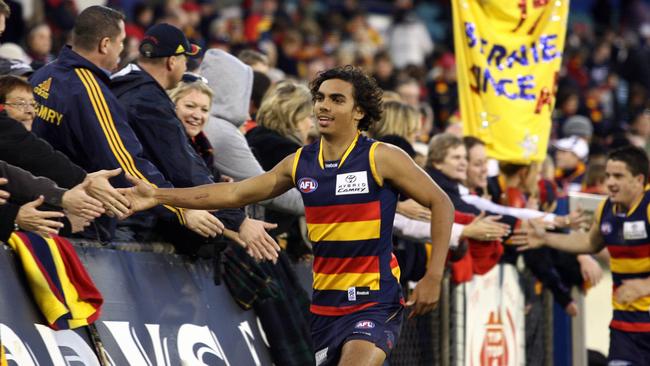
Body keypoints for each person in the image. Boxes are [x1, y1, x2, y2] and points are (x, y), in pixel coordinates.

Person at [120, 66, 454, 366]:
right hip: (324, 306)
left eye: (337, 99)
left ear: (359, 111)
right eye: (320, 98)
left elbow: (441, 204)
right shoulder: (300, 163)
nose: (323, 106)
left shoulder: (382, 157)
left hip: (375, 300)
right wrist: (158, 194)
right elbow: (234, 193)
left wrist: (433, 276)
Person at [30, 6, 195, 241]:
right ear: (105, 44)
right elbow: (124, 163)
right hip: (78, 221)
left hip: (39, 207)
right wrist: (178, 208)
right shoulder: (90, 91)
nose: (122, 49)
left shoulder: (43, 75)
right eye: (121, 42)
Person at [514, 145, 650, 364]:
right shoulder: (606, 209)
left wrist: (644, 286)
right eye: (608, 176)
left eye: (618, 176)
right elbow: (588, 242)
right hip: (625, 328)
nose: (610, 183)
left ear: (638, 179)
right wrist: (546, 238)